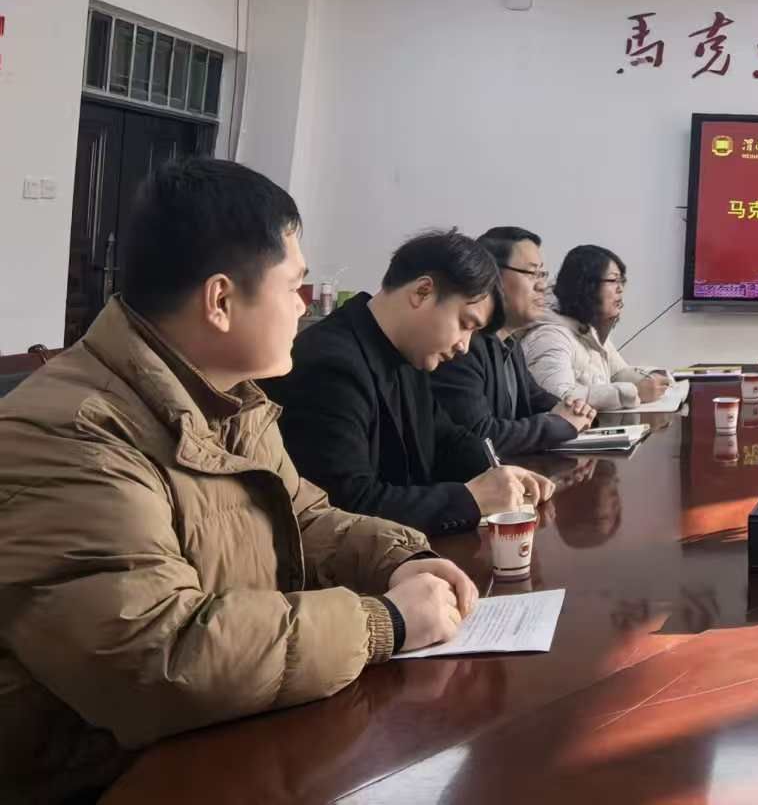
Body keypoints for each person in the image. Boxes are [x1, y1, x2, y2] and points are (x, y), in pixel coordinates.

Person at [0, 159, 479, 802]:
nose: (305, 307)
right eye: (294, 285)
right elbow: (159, 656)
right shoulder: (71, 434)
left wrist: (399, 558)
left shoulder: (230, 401)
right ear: (221, 301)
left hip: (223, 741)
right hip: (102, 778)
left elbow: (304, 518)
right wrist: (382, 622)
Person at [272, 230, 556, 536]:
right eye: (465, 324)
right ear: (422, 292)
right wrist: (470, 499)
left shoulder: (408, 353)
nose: (464, 345)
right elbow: (346, 504)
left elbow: (446, 439)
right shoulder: (330, 364)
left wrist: (500, 473)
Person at [429, 227, 596, 455]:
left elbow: (536, 399)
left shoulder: (509, 343)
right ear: (492, 277)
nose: (542, 285)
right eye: (532, 273)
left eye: (542, 274)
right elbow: (479, 435)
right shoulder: (463, 346)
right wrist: (557, 424)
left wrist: (576, 411)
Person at [518, 244, 670, 411]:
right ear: (586, 286)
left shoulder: (587, 327)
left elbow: (617, 373)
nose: (620, 289)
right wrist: (634, 393)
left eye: (622, 281)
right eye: (613, 280)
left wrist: (651, 377)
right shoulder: (549, 337)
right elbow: (558, 399)